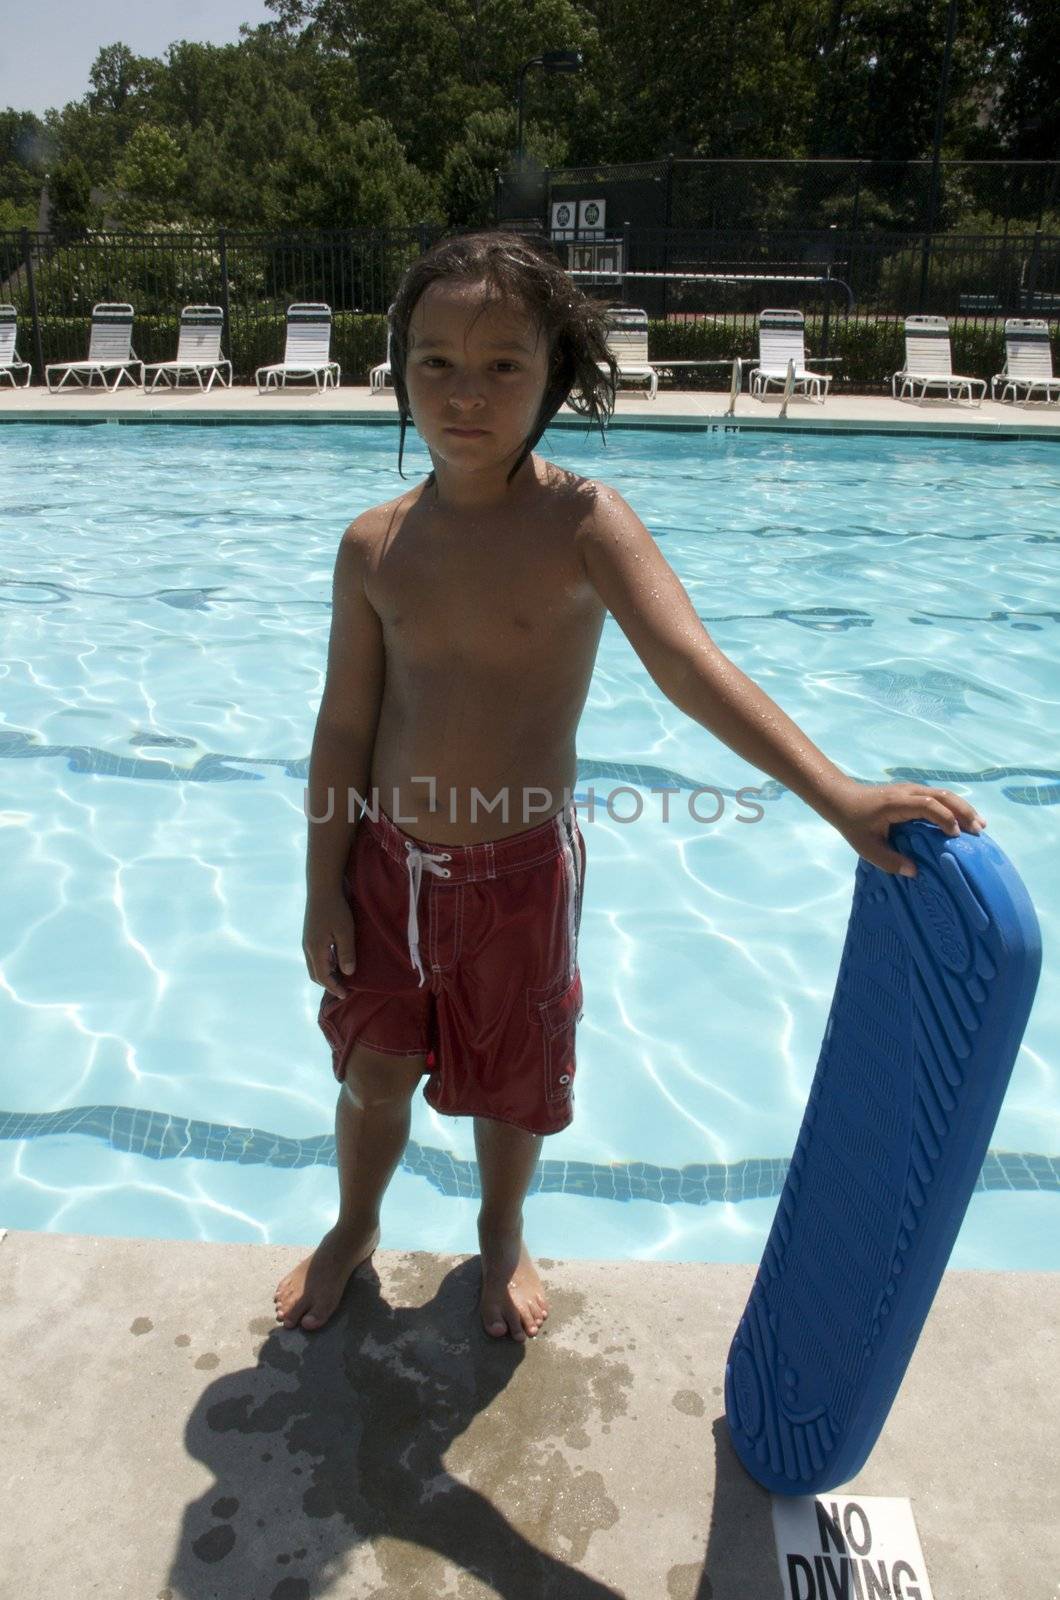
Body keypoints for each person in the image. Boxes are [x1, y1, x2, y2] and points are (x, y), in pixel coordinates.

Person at [274, 229, 985, 1342]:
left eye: (503, 364)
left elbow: (688, 665)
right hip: (384, 869)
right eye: (435, 363)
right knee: (372, 1069)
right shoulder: (373, 545)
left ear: (556, 373)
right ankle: (354, 1221)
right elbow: (344, 724)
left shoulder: (580, 525)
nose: (465, 393)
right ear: (400, 370)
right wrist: (322, 885)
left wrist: (836, 792)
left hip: (516, 877)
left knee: (513, 1087)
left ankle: (500, 1237)